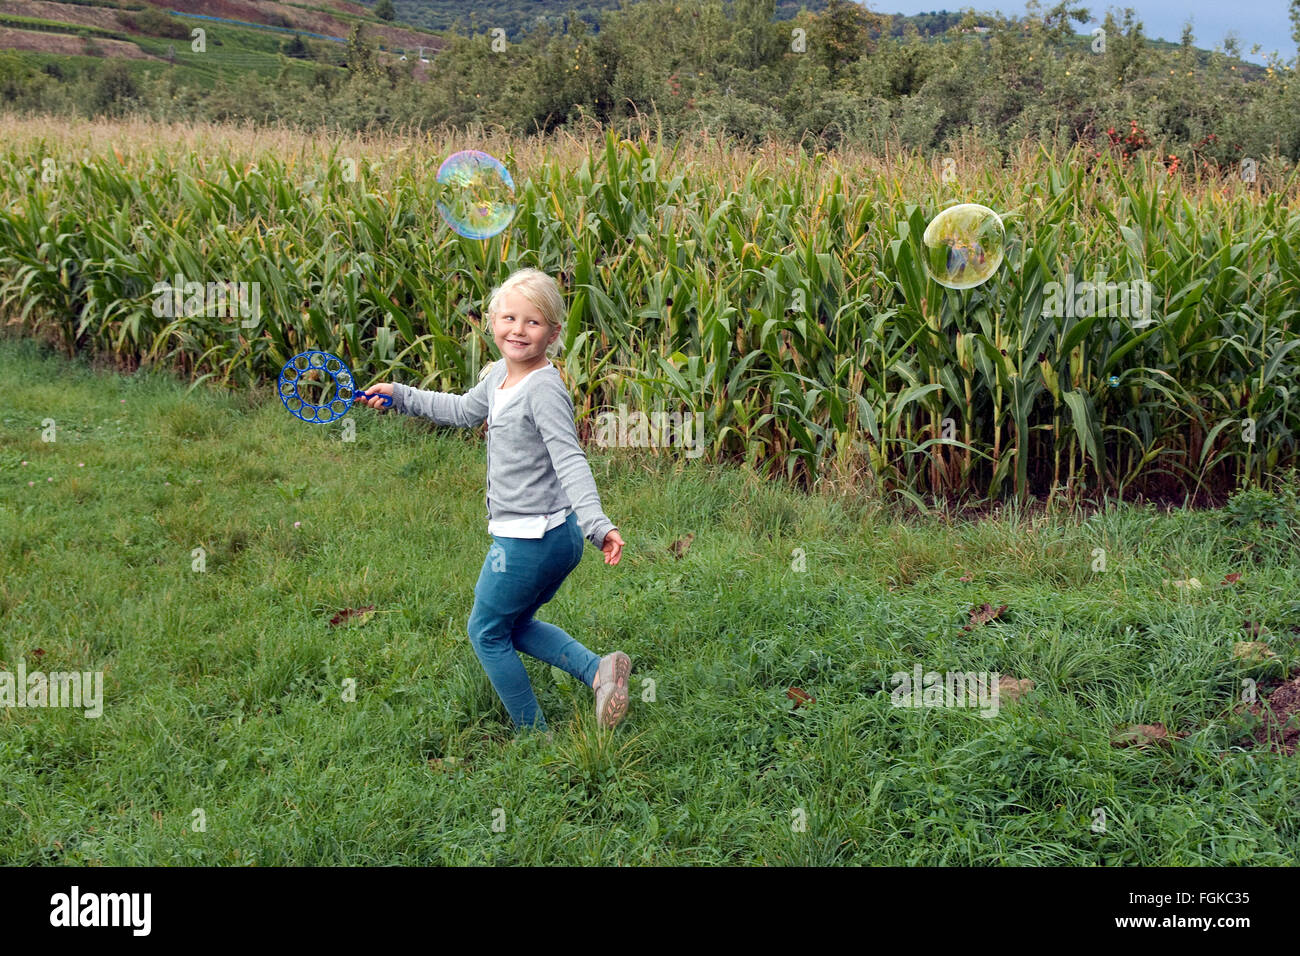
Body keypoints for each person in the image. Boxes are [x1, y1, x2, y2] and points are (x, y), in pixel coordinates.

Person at [359, 268, 630, 736]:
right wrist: (402, 397)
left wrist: (598, 524)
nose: (518, 330)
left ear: (554, 332)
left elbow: (570, 459)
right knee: (514, 623)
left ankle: (534, 736)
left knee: (485, 632)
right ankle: (599, 672)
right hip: (548, 535)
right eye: (509, 318)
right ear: (492, 322)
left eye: (533, 322)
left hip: (532, 539)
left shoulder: (543, 389)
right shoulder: (500, 376)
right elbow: (463, 411)